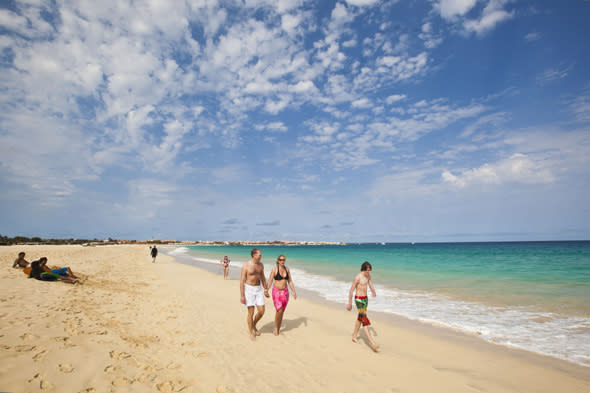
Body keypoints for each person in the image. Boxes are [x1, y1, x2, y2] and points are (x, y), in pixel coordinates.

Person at [346, 261, 379, 352]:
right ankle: (372, 343)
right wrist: (349, 303)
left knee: (360, 318)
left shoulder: (368, 276)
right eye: (367, 271)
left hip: (365, 299)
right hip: (359, 300)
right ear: (363, 269)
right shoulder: (358, 277)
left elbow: (370, 284)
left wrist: (373, 291)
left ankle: (354, 336)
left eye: (369, 270)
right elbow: (351, 290)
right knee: (364, 319)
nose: (368, 272)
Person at [240, 248, 269, 341]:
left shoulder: (261, 265)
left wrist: (266, 289)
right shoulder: (246, 266)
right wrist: (242, 295)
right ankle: (251, 332)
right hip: (249, 289)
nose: (261, 256)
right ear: (254, 255)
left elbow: (263, 277)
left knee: (261, 311)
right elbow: (242, 281)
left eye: (261, 255)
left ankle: (254, 325)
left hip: (259, 289)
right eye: (259, 255)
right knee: (251, 312)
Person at [266, 254, 297, 336]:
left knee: (282, 311)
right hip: (276, 292)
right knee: (279, 310)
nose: (282, 261)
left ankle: (279, 329)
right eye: (281, 260)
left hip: (285, 292)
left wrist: (293, 292)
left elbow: (290, 281)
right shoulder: (274, 269)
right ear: (278, 261)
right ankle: (276, 328)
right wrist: (266, 290)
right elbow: (270, 281)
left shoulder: (287, 269)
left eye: (284, 260)